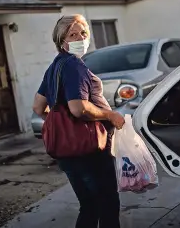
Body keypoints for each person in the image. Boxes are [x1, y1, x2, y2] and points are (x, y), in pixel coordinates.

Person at [32, 14, 125, 228]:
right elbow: (78, 107)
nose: (80, 38)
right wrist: (110, 115)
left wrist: (61, 125)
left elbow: (38, 107)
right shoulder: (74, 65)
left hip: (68, 152)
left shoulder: (55, 66)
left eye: (83, 33)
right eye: (72, 34)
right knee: (107, 205)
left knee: (89, 206)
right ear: (61, 40)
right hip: (90, 151)